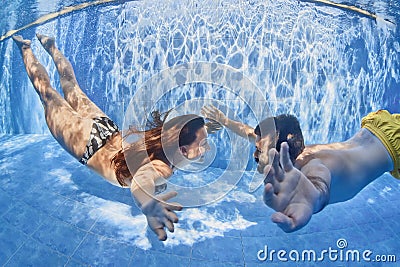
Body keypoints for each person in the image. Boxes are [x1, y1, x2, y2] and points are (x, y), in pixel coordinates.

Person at [13, 34, 218, 241]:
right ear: (182, 150)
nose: (207, 149)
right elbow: (141, 181)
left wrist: (209, 126)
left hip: (106, 129)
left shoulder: (164, 139)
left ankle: (51, 47)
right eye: (203, 144)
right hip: (86, 144)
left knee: (71, 86)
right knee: (47, 94)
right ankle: (25, 48)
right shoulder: (163, 168)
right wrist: (148, 204)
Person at [201, 105, 399, 232]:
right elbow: (249, 132)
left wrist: (311, 200)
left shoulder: (311, 165)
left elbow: (319, 185)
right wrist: (224, 120)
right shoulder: (290, 150)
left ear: (280, 148)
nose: (255, 155)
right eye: (257, 148)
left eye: (259, 150)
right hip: (376, 127)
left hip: (394, 148)